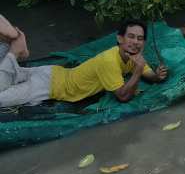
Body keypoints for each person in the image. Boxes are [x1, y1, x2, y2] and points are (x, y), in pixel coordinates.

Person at [0, 20, 168, 108]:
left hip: (51, 73)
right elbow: (123, 97)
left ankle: (12, 45)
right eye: (131, 37)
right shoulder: (109, 61)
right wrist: (137, 72)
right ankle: (14, 50)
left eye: (140, 39)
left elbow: (149, 74)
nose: (135, 42)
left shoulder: (135, 56)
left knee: (8, 77)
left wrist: (157, 76)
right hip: (46, 86)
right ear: (119, 39)